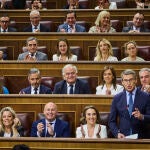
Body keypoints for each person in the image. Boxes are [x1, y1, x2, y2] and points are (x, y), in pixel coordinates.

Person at [109, 69, 150, 139]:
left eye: (131, 80)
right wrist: (117, 133)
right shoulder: (117, 98)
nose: (128, 83)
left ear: (136, 80)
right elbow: (111, 121)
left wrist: (142, 116)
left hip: (142, 138)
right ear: (122, 82)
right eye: (126, 80)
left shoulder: (146, 96)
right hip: (124, 138)